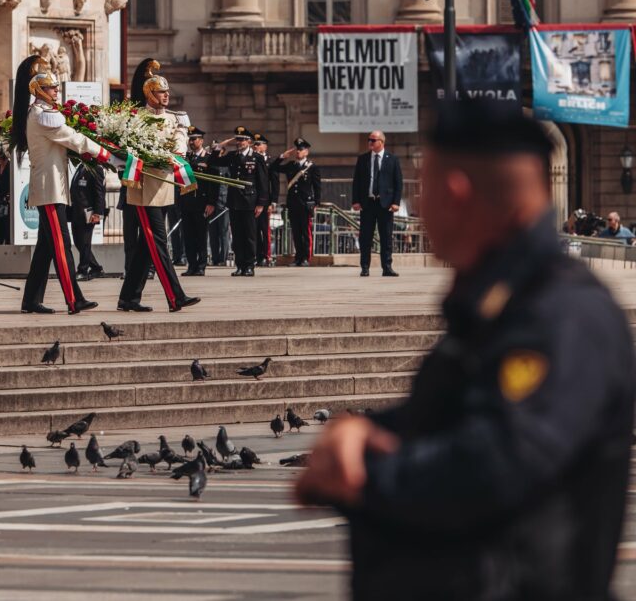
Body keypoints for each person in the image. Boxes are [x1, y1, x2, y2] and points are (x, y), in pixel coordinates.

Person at [295, 100, 635, 600]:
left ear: (456, 193)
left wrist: (366, 475)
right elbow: (446, 417)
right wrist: (364, 431)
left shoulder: (561, 314)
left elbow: (500, 459)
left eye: (422, 189)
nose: (421, 207)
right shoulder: (497, 302)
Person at [14, 56, 111, 314]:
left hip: (52, 188)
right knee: (60, 244)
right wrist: (103, 153)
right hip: (49, 190)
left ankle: (31, 300)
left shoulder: (41, 113)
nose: (57, 91)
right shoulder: (43, 115)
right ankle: (73, 298)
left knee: (46, 249)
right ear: (39, 91)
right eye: (52, 88)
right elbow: (71, 137)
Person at [118, 58, 200, 313]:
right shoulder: (135, 118)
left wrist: (174, 150)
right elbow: (130, 147)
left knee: (146, 245)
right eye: (161, 92)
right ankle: (175, 296)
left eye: (166, 91)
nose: (166, 96)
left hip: (164, 187)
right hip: (143, 189)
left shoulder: (176, 118)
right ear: (149, 93)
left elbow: (180, 139)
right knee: (157, 241)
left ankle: (128, 297)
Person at [209, 126, 269, 276]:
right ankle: (240, 265)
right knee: (237, 236)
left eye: (242, 139)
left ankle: (249, 265)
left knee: (249, 235)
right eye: (238, 139)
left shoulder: (257, 158)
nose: (240, 142)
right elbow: (213, 161)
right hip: (234, 201)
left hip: (250, 201)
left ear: (249, 141)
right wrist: (221, 145)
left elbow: (262, 182)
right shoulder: (232, 155)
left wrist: (261, 203)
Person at [352, 130, 402, 277]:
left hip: (385, 204)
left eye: (373, 140)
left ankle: (387, 267)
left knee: (386, 237)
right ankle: (365, 267)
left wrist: (396, 202)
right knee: (365, 237)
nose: (370, 142)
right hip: (368, 203)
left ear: (381, 142)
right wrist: (355, 201)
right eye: (369, 140)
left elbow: (398, 183)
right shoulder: (363, 159)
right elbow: (357, 182)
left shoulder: (392, 159)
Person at [272, 137, 321, 267]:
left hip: (305, 204)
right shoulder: (291, 166)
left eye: (301, 149)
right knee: (296, 232)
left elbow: (317, 187)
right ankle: (298, 257)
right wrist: (282, 156)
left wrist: (316, 203)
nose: (298, 152)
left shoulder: (312, 167)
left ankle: (305, 257)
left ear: (306, 151)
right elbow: (273, 168)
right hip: (293, 203)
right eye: (297, 150)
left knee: (305, 232)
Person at [179, 125, 216, 276]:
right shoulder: (185, 158)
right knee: (188, 236)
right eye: (190, 139)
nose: (191, 142)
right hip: (186, 201)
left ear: (201, 141)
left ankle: (201, 265)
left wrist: (212, 202)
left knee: (201, 235)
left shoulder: (208, 158)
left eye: (194, 139)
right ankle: (191, 265)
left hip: (202, 203)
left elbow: (214, 182)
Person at [70, 163, 107, 280]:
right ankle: (96, 268)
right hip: (76, 211)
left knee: (85, 242)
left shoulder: (96, 168)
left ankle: (83, 270)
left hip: (88, 212)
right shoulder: (80, 167)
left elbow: (100, 192)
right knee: (78, 242)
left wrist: (98, 213)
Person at [253, 134, 278, 267]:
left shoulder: (270, 161)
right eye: (255, 144)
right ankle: (256, 255)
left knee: (264, 229)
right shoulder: (251, 159)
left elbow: (274, 183)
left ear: (265, 146)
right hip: (251, 199)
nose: (256, 146)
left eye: (259, 144)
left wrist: (273, 201)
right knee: (254, 230)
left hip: (265, 200)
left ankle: (265, 255)